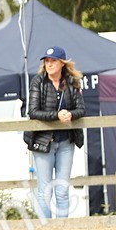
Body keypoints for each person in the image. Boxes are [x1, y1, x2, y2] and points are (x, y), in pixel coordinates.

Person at [25, 46, 86, 219]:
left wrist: (71, 114)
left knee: (62, 189)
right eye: (47, 61)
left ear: (62, 63)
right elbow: (33, 111)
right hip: (43, 142)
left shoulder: (73, 82)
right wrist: (56, 116)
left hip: (66, 142)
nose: (49, 64)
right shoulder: (38, 82)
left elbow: (82, 109)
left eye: (53, 61)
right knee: (44, 189)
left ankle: (63, 229)